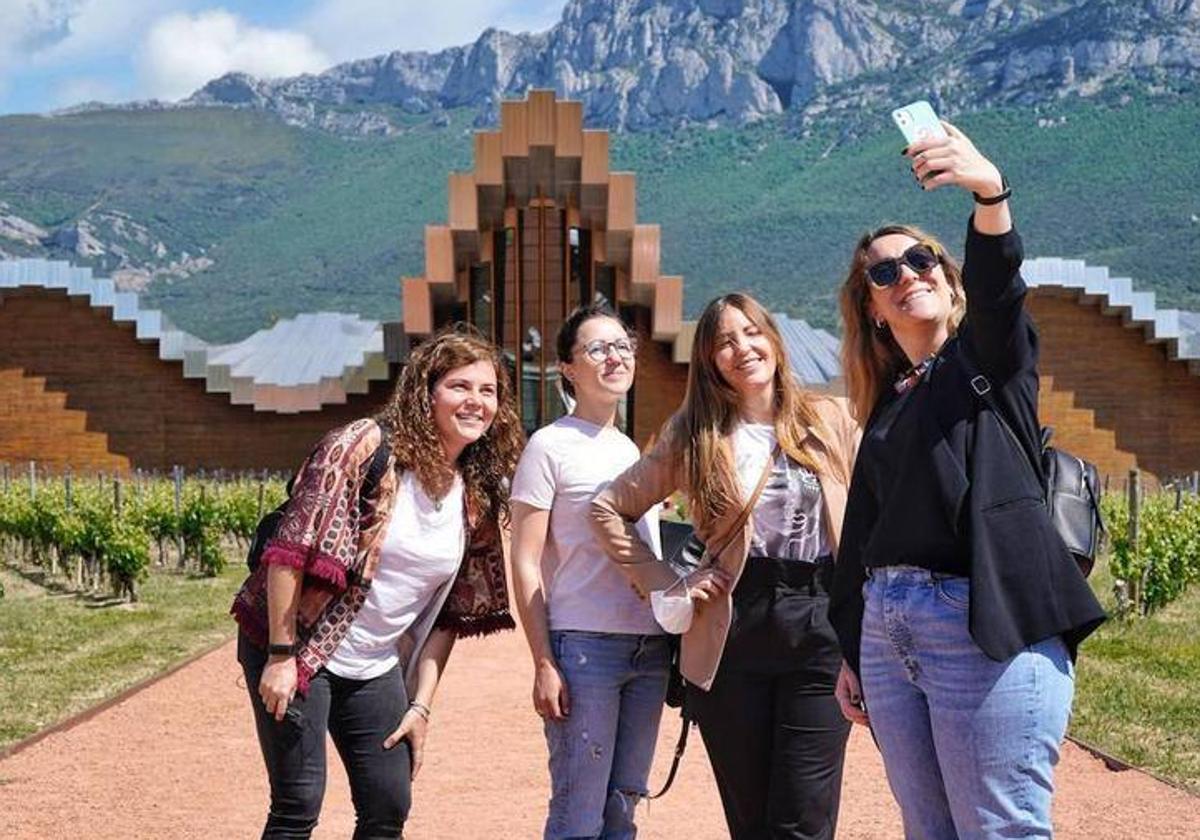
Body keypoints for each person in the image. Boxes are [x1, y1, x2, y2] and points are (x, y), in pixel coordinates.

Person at [829, 122, 1106, 840]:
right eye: (884, 274)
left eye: (921, 259)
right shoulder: (888, 404)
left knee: (999, 830)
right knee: (929, 829)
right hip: (890, 636)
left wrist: (989, 191)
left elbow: (999, 290)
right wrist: (853, 649)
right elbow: (865, 537)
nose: (907, 274)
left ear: (949, 278)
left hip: (978, 623)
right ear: (872, 308)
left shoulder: (992, 365)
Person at [230, 327, 524, 839]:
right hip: (299, 645)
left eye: (488, 390)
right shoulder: (365, 446)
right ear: (425, 391)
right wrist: (280, 657)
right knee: (298, 802)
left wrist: (421, 705)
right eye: (459, 386)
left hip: (373, 662)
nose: (475, 401)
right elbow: (291, 549)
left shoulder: (473, 492)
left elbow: (451, 613)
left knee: (389, 802)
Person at [590, 292, 860, 840]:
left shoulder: (833, 418)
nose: (742, 348)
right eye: (723, 342)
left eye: (751, 332)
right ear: (711, 360)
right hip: (733, 623)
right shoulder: (694, 433)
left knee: (804, 817)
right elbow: (608, 508)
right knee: (752, 818)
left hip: (822, 619)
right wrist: (668, 583)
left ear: (774, 339)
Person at [510, 304, 670, 839]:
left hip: (650, 648)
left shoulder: (631, 449)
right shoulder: (548, 446)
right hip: (585, 647)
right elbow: (525, 560)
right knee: (578, 810)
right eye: (597, 349)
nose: (615, 357)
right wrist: (543, 661)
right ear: (567, 370)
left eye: (623, 346)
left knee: (624, 808)